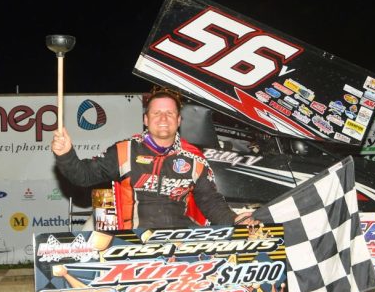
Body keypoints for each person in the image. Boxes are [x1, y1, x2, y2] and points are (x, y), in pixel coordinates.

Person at [51, 87, 254, 229]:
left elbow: (211, 202)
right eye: (156, 113)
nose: (163, 118)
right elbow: (83, 176)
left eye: (169, 113)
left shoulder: (194, 158)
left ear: (179, 120)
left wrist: (235, 220)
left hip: (180, 240)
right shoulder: (125, 150)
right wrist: (66, 154)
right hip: (132, 242)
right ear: (146, 120)